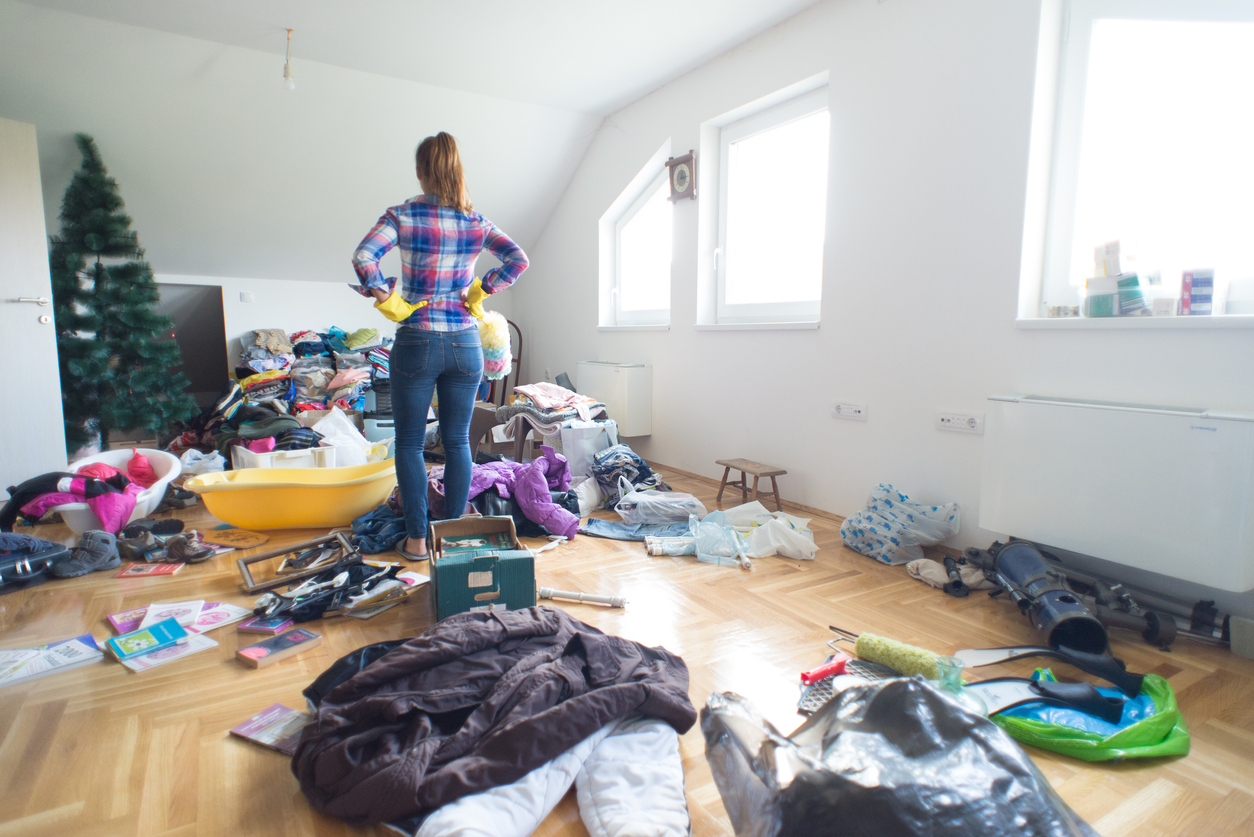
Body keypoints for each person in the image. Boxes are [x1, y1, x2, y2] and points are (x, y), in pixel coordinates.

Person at [352, 132, 528, 559]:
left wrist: (384, 295)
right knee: (457, 442)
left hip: (417, 339)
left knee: (411, 442)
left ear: (420, 172)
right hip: (465, 344)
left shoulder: (403, 215)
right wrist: (482, 288)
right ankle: (450, 538)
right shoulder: (476, 222)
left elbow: (364, 257)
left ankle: (416, 539)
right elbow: (518, 259)